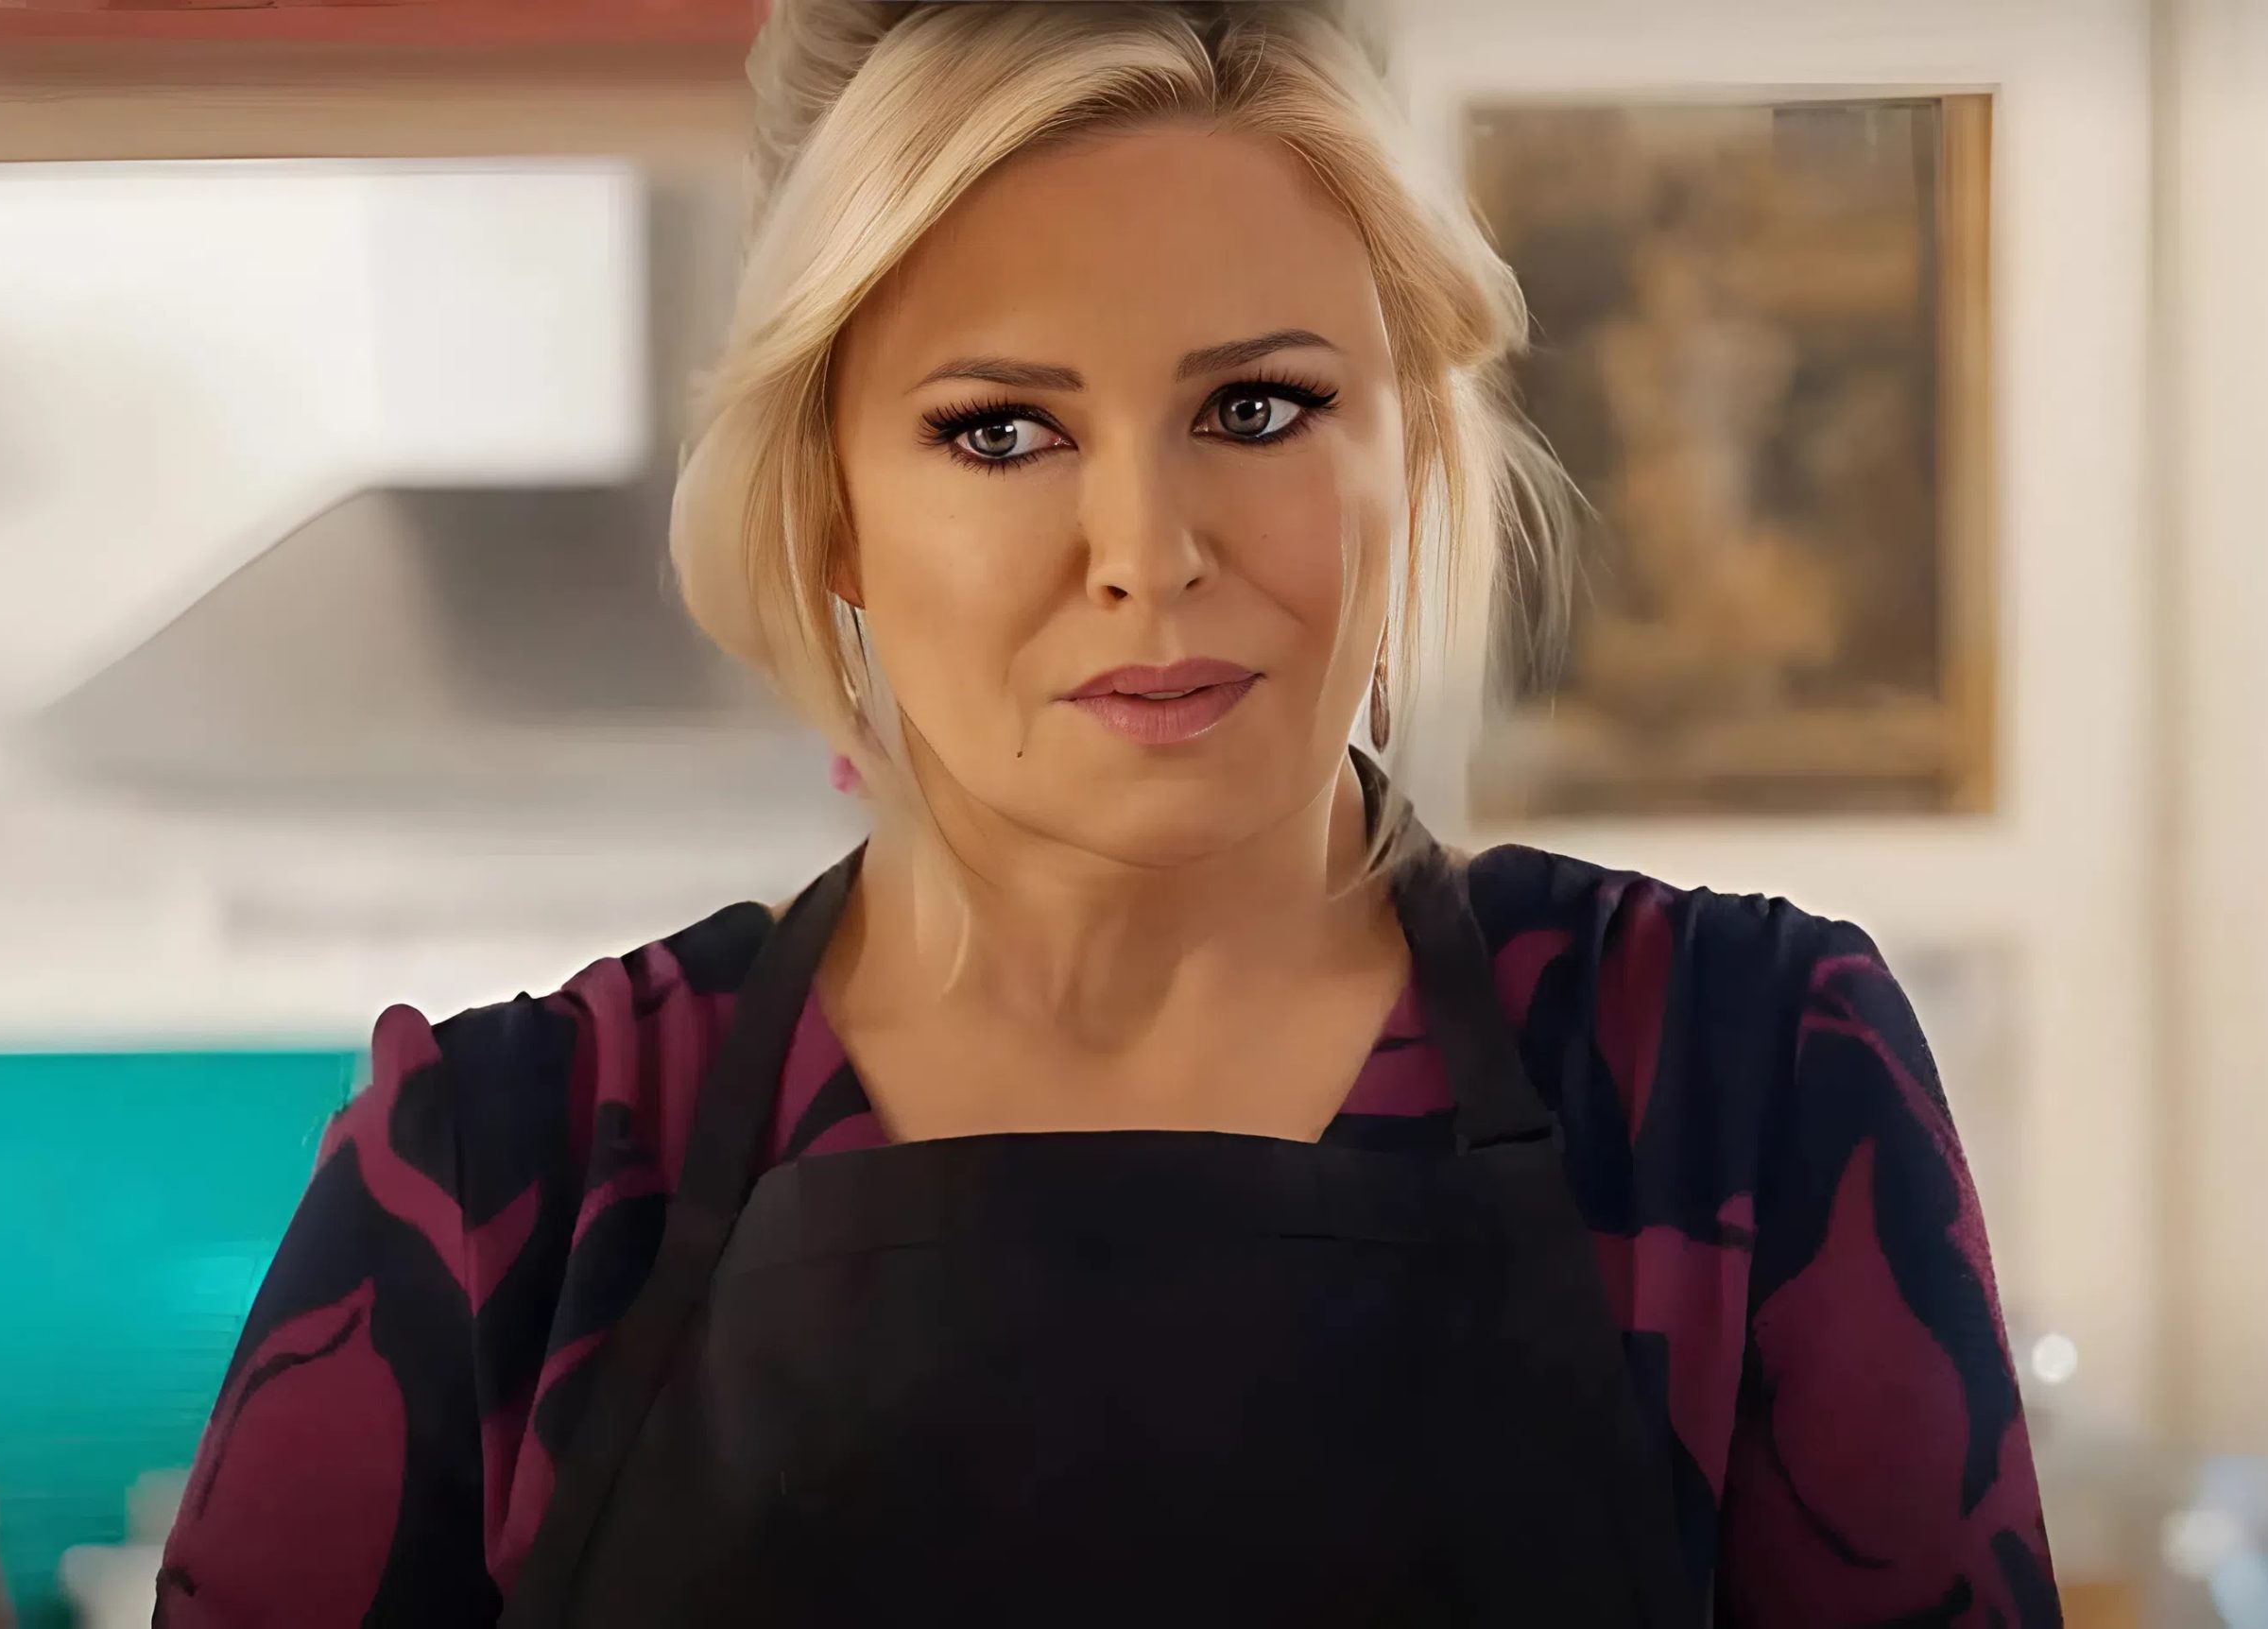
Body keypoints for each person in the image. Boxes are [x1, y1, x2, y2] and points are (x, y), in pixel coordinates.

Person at [154, 2, 2054, 1624]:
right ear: (830, 510)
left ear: (1408, 443)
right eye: (1000, 430)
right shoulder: (506, 1179)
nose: (1147, 552)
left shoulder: (1740, 1081)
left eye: (1256, 410)